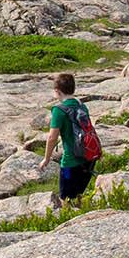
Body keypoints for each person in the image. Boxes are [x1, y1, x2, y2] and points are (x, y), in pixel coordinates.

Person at [40, 72, 94, 203]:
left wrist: (46, 159)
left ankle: (69, 221)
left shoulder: (59, 110)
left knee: (65, 198)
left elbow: (52, 137)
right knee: (79, 194)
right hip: (88, 158)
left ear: (57, 91)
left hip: (70, 161)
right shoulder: (82, 105)